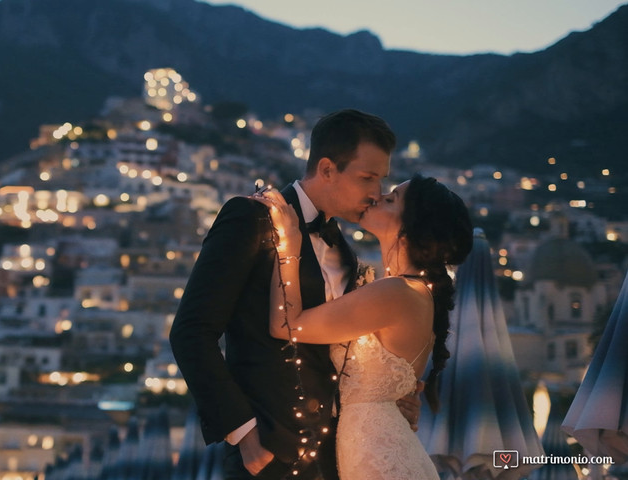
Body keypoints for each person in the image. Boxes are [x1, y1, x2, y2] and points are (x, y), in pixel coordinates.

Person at [169, 109, 420, 480]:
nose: (376, 193)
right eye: (367, 178)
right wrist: (245, 433)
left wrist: (389, 394)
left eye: (382, 180)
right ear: (328, 169)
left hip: (339, 456)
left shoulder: (346, 253)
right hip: (269, 457)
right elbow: (191, 332)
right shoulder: (251, 219)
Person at [255, 174, 473, 479]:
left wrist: (289, 245)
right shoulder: (406, 291)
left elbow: (287, 325)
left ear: (413, 227)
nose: (378, 197)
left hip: (379, 461)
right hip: (376, 452)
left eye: (392, 198)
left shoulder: (397, 293)